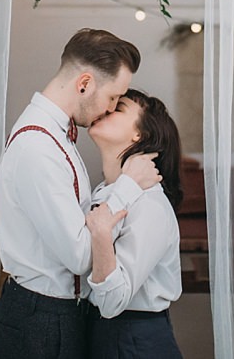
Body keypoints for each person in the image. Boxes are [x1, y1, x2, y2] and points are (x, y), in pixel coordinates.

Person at [0, 29, 162, 359]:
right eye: (113, 97)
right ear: (84, 84)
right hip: (40, 319)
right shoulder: (38, 148)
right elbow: (81, 256)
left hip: (53, 313)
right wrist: (127, 185)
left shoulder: (56, 136)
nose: (112, 107)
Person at [85, 89, 185, 359]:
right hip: (102, 335)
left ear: (140, 135)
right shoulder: (102, 193)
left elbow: (112, 302)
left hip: (135, 341)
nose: (106, 108)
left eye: (119, 108)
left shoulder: (149, 204)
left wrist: (102, 233)